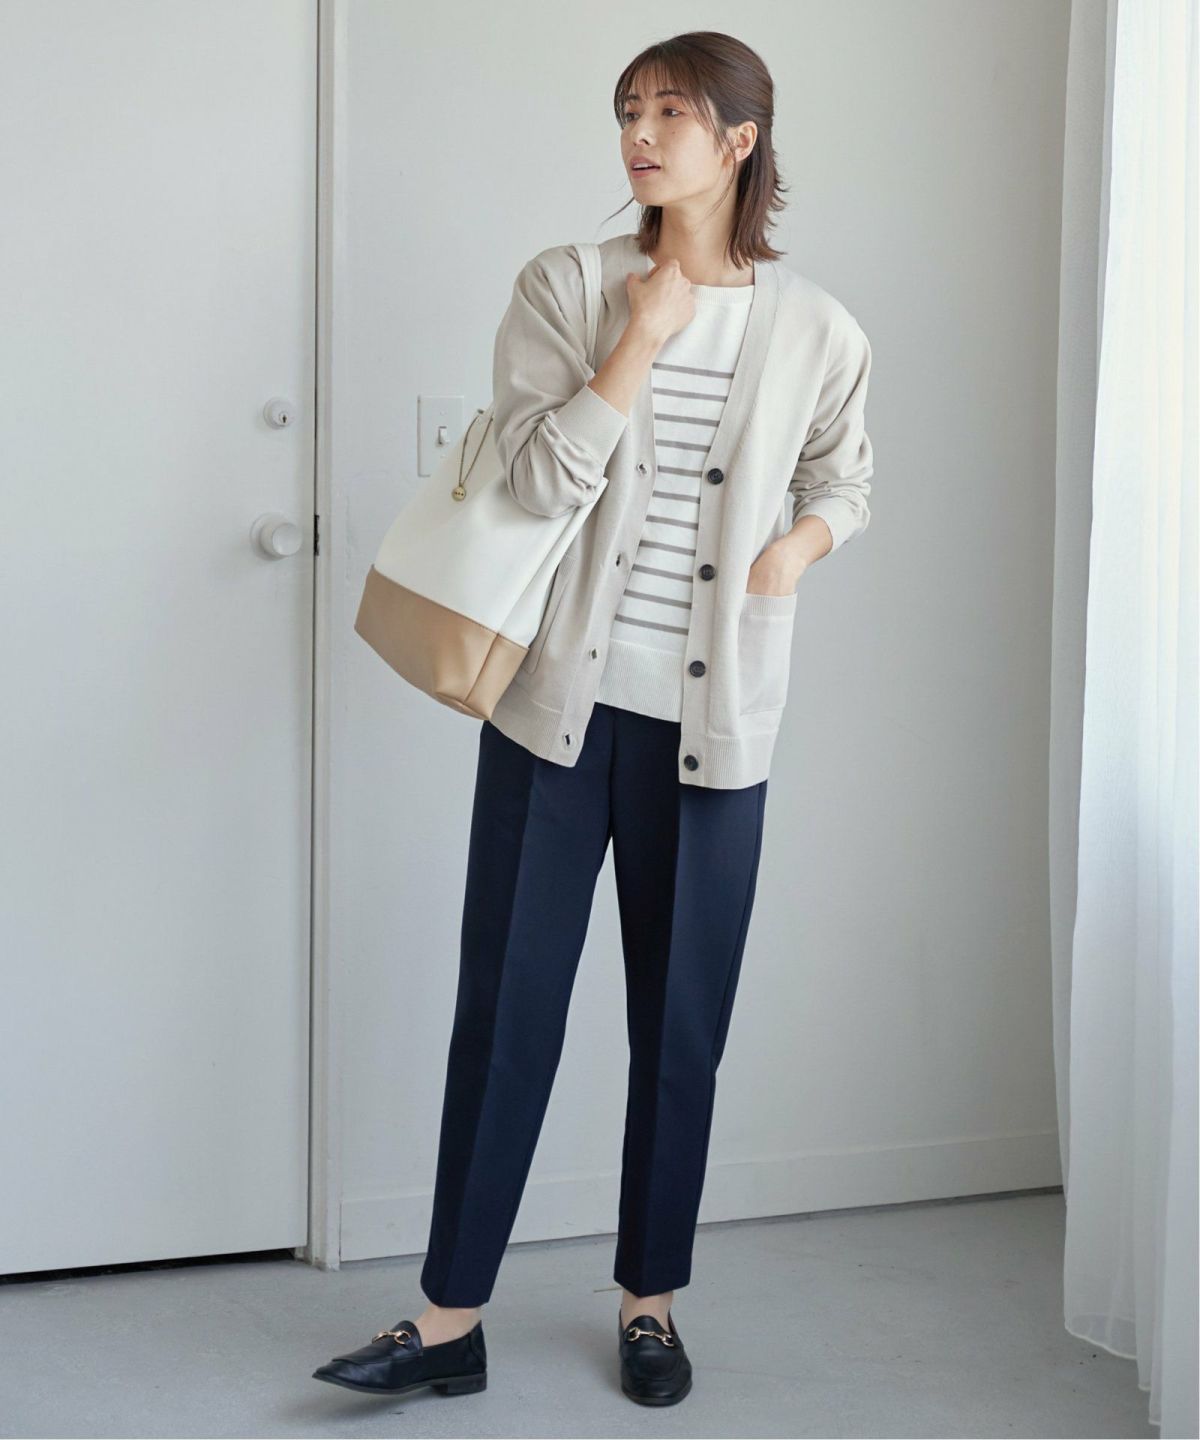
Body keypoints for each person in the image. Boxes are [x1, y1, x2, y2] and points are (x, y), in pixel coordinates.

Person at [314, 27, 874, 1409]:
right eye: (627, 110)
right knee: (504, 1015)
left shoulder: (818, 328)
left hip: (712, 738)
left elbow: (846, 478)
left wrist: (792, 554)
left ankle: (650, 1305)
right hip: (553, 720)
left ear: (739, 138)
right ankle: (449, 1320)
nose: (639, 134)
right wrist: (640, 338)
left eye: (670, 111)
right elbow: (533, 478)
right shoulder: (567, 286)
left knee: (679, 1030)